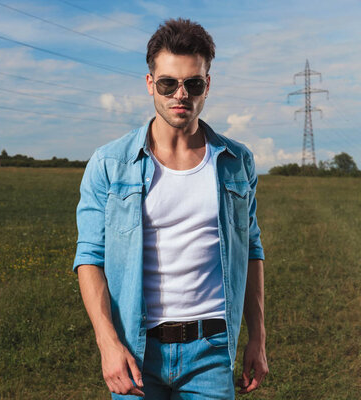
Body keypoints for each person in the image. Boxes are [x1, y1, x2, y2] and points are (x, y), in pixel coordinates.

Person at [73, 18, 268, 399]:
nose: (181, 94)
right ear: (150, 85)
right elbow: (90, 258)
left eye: (193, 83)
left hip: (211, 351)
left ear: (207, 85)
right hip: (135, 351)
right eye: (168, 83)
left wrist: (258, 337)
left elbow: (252, 250)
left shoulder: (236, 160)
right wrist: (107, 344)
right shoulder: (109, 163)